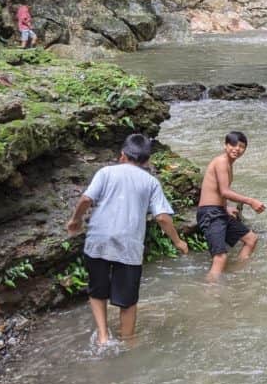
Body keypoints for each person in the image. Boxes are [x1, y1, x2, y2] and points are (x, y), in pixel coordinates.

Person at [65, 133, 188, 346]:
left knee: (97, 290)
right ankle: (128, 341)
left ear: (122, 155)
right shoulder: (151, 182)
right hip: (129, 245)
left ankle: (103, 336)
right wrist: (177, 241)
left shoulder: (105, 172)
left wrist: (75, 220)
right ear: (147, 161)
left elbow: (86, 198)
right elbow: (162, 217)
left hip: (98, 240)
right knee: (128, 300)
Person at [196, 131, 265, 281]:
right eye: (233, 144)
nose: (237, 149)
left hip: (219, 211)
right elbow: (224, 191)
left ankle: (237, 274)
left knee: (251, 239)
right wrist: (251, 201)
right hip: (210, 214)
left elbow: (216, 191)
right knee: (220, 257)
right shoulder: (221, 162)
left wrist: (225, 207)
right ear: (225, 145)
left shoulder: (228, 163)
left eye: (241, 146)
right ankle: (210, 293)